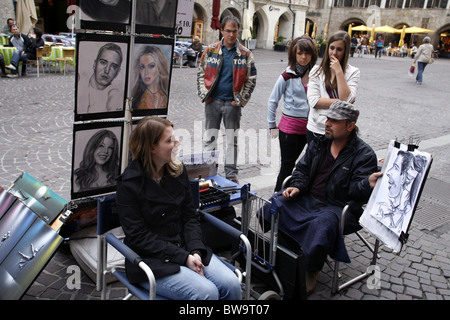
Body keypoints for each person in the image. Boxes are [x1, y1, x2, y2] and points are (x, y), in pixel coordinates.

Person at [115, 116, 242, 300]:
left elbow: (190, 217)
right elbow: (139, 237)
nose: (177, 143)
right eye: (169, 140)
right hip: (152, 261)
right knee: (207, 293)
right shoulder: (129, 185)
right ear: (151, 148)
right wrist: (183, 258)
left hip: (187, 247)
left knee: (232, 285)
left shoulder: (177, 171)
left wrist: (196, 251)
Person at [265, 101, 381, 295]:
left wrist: (365, 184)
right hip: (309, 198)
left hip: (338, 207)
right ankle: (287, 254)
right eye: (328, 118)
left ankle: (311, 269)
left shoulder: (364, 154)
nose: (327, 123)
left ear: (350, 126)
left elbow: (355, 194)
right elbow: (301, 169)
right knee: (277, 202)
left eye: (334, 121)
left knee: (323, 223)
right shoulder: (318, 144)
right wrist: (296, 186)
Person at [197, 15, 257, 183]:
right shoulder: (211, 50)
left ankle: (231, 173)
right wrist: (204, 95)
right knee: (210, 138)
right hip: (213, 101)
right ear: (222, 30)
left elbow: (251, 79)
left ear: (238, 32)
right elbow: (201, 73)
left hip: (232, 104)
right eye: (228, 31)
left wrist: (240, 100)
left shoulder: (245, 54)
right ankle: (209, 171)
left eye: (235, 31)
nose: (231, 34)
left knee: (232, 140)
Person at [267, 35, 318, 192]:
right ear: (294, 54)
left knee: (306, 164)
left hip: (309, 129)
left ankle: (293, 193)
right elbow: (272, 100)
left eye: (307, 53)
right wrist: (272, 125)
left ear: (312, 55)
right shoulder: (287, 75)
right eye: (300, 53)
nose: (303, 57)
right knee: (287, 165)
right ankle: (277, 196)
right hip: (289, 130)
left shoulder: (316, 76)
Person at [306, 30, 360, 143]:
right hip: (316, 129)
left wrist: (339, 72)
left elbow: (348, 100)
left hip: (339, 131)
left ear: (345, 51)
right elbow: (314, 101)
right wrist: (340, 102)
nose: (334, 53)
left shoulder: (353, 72)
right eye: (332, 48)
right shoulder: (316, 71)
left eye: (339, 49)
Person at [77, 43, 124, 114]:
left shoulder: (115, 94)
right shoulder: (80, 83)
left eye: (113, 66)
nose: (107, 70)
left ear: (117, 72)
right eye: (103, 62)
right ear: (95, 64)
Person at [131, 45, 169, 110]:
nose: (146, 72)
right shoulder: (135, 99)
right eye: (142, 67)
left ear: (160, 67)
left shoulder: (167, 95)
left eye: (151, 66)